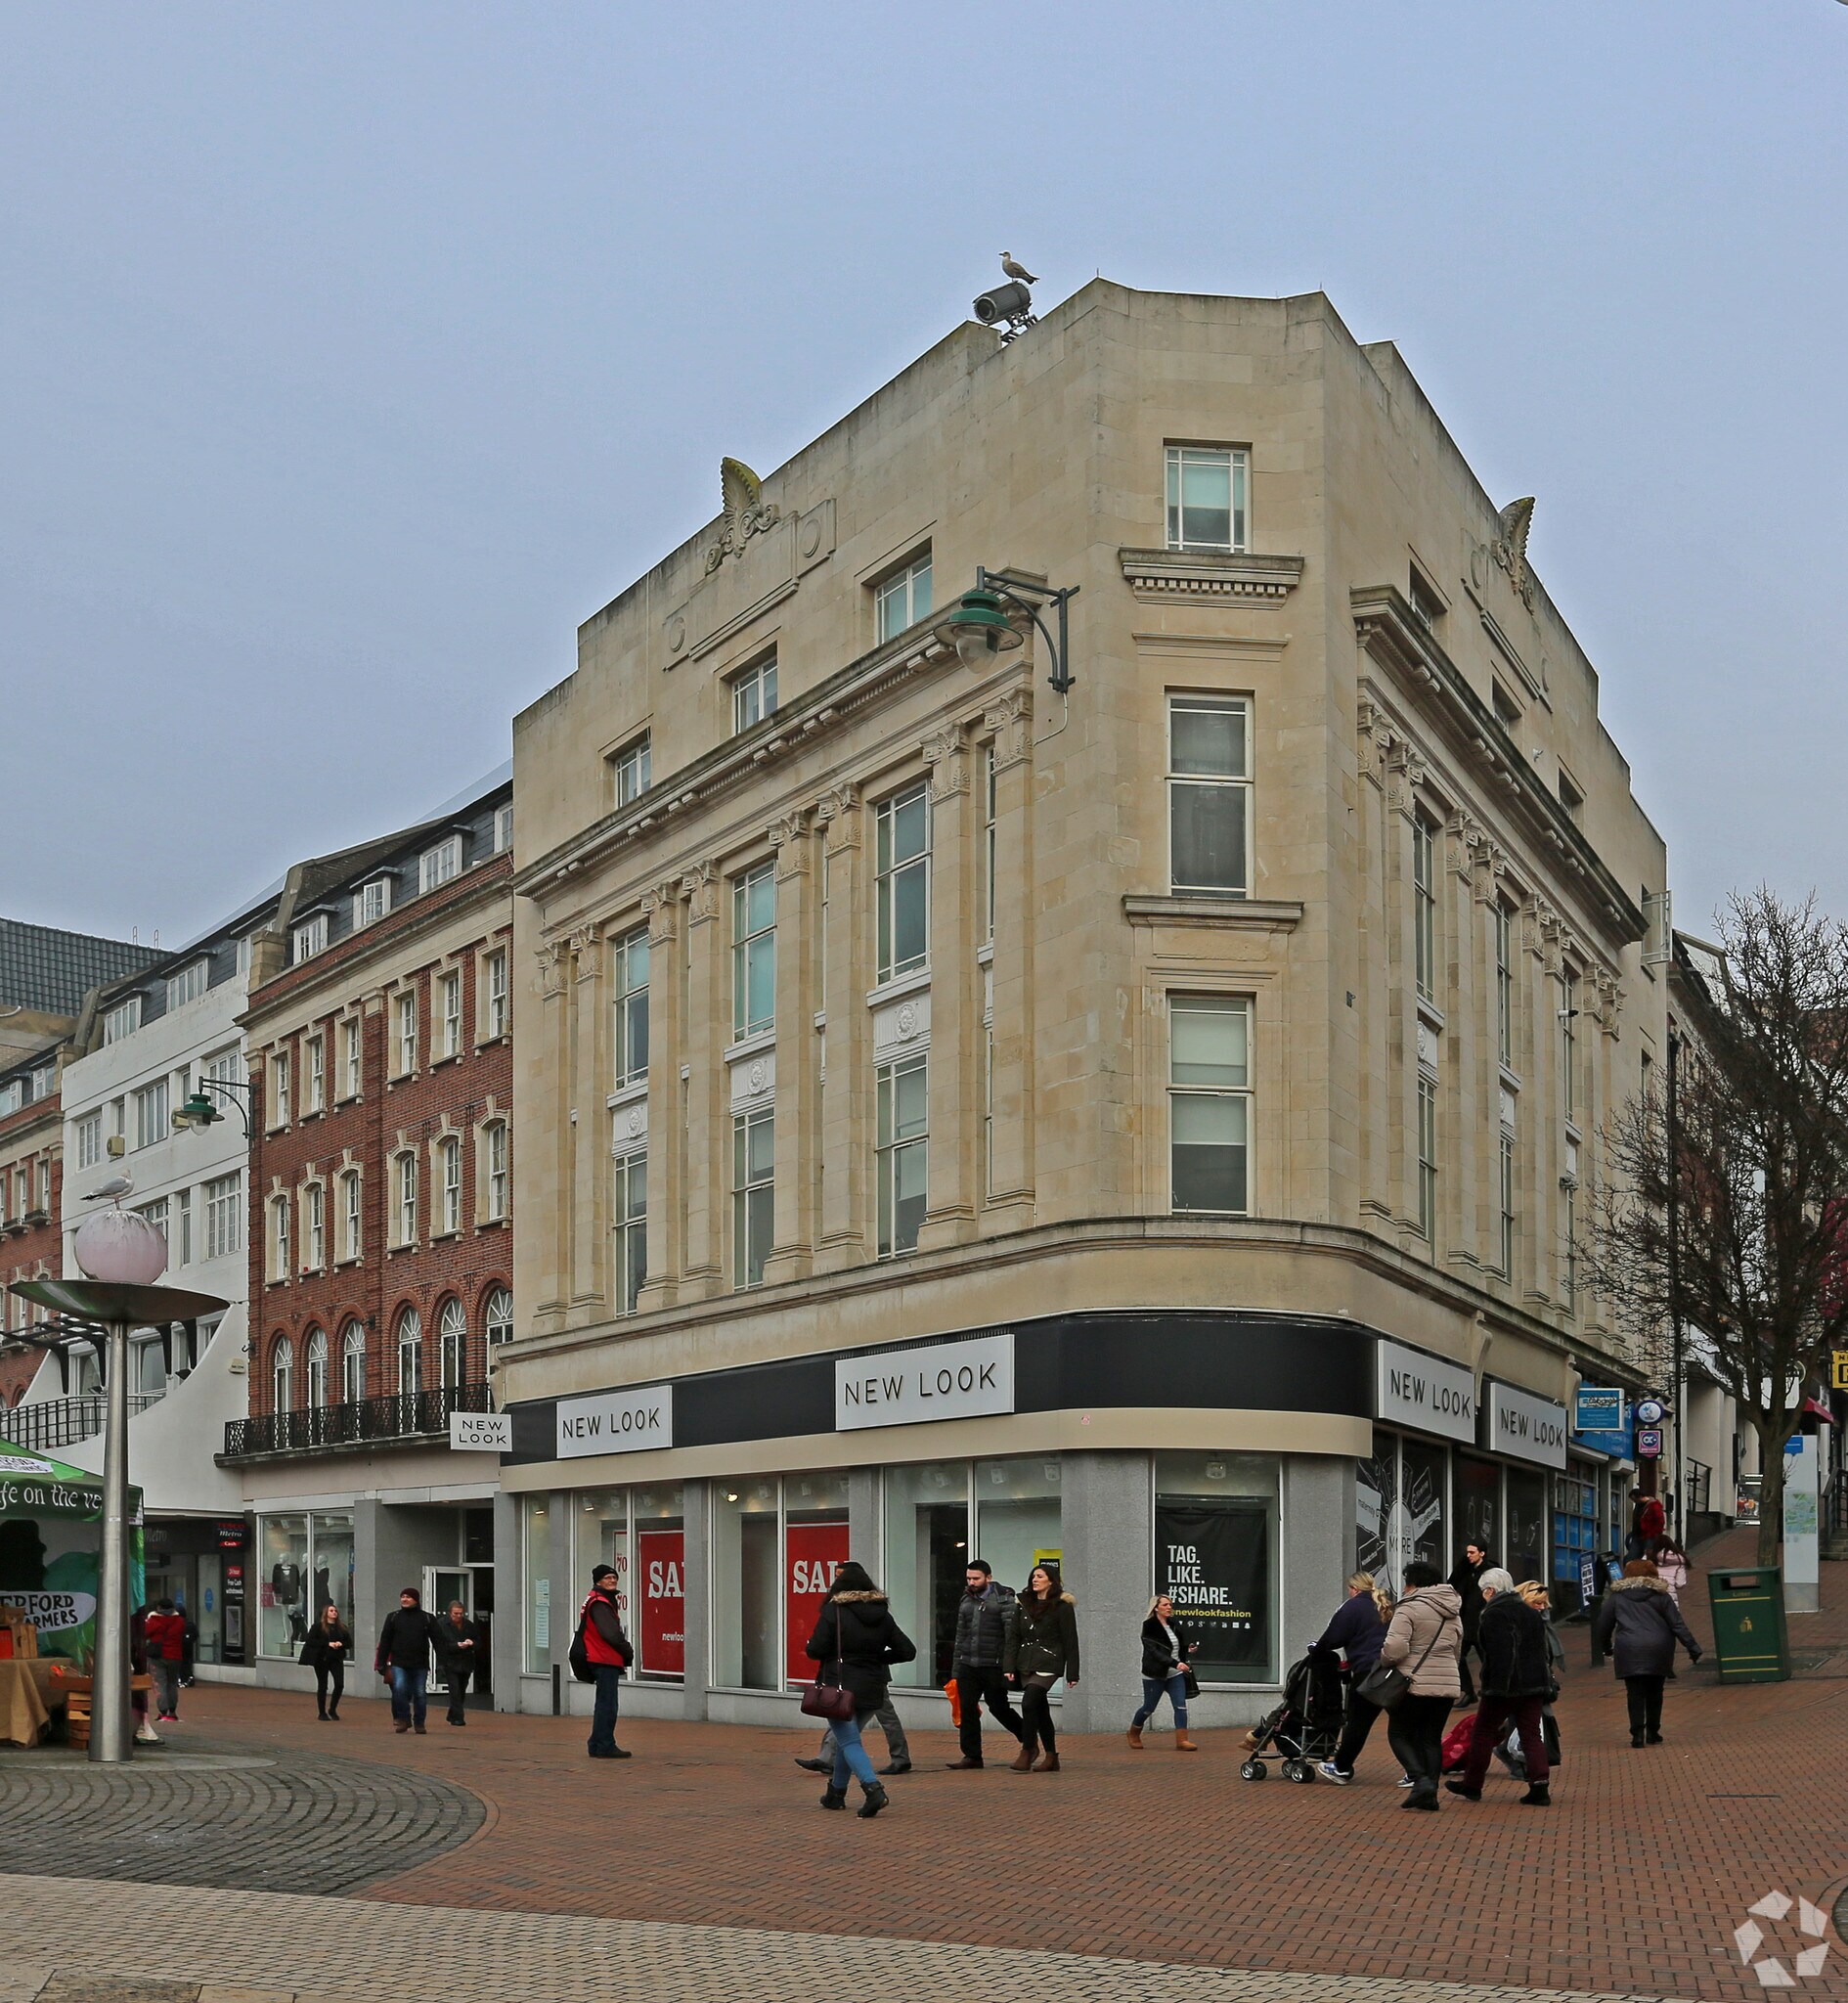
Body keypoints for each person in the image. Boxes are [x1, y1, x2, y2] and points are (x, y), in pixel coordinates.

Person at [804, 1559, 916, 1817]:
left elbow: (816, 1649)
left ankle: (873, 1789)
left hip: (840, 1688)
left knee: (850, 1741)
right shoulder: (882, 1614)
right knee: (847, 1741)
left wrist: (816, 1646)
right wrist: (877, 1658)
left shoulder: (835, 1611)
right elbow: (907, 1651)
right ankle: (836, 1793)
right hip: (871, 1687)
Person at [1445, 1567, 1553, 1806]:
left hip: (1505, 1686)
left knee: (1482, 1733)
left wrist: (1496, 1686)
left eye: (1484, 1591)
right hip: (1534, 1684)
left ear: (1490, 1591)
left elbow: (1501, 1653)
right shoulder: (1530, 1612)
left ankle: (1473, 1784)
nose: (1482, 1595)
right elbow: (1542, 1652)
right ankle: (1540, 1784)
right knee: (1531, 1734)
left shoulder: (1494, 1614)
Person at [1377, 1560, 1462, 1810]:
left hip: (1414, 1682)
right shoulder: (1453, 1609)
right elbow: (1457, 1649)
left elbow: (1395, 1648)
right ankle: (1429, 1794)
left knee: (1399, 1733)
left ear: (1412, 1583)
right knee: (1431, 1738)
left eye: (1405, 1583)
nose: (1403, 1589)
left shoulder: (1408, 1608)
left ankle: (1420, 1779)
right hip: (1446, 1683)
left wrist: (1384, 1660)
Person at [1594, 1558, 1701, 1747]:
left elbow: (1603, 1626)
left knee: (1634, 1693)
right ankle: (1653, 1731)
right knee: (1655, 1691)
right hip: (1659, 1648)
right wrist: (1692, 1647)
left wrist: (1606, 1647)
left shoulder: (1617, 1598)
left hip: (1629, 1648)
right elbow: (1677, 1624)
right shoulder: (1662, 1596)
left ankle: (1637, 1734)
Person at [1315, 1571, 1394, 1783]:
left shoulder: (1352, 1606)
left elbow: (1333, 1637)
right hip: (1391, 1670)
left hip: (1367, 1671)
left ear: (1354, 1589)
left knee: (1358, 1722)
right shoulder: (1384, 1604)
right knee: (1400, 1725)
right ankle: (1417, 1772)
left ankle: (1341, 1767)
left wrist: (1318, 1649)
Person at [944, 1558, 1023, 1769]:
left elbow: (1011, 1636)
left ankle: (1027, 1738)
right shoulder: (966, 1600)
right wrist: (956, 1670)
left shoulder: (1004, 1600)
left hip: (994, 1665)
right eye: (969, 1578)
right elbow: (961, 1636)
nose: (971, 1582)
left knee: (998, 1707)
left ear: (989, 1577)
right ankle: (972, 1756)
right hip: (969, 1664)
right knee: (967, 1708)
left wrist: (1009, 1666)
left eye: (976, 1578)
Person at [1011, 1563, 1079, 1772]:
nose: (1035, 1579)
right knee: (1040, 1710)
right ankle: (1051, 1757)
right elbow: (1013, 1637)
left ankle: (1028, 1750)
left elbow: (1070, 1640)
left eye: (1040, 1576)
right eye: (1033, 1576)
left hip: (1050, 1661)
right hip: (1026, 1662)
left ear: (1051, 1580)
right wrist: (1009, 1665)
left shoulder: (1062, 1606)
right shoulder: (1023, 1604)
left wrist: (1073, 1672)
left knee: (1029, 1701)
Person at [1127, 1592, 1199, 1750]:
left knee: (1180, 1705)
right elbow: (1154, 1652)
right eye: (1165, 1605)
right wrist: (1175, 1663)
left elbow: (1176, 1646)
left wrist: (1188, 1648)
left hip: (1175, 1674)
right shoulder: (1149, 1627)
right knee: (1148, 1707)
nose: (1169, 1608)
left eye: (1170, 1605)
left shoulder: (1173, 1624)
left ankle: (1182, 1741)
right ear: (1156, 1608)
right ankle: (1133, 1733)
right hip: (1154, 1673)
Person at [579, 1563, 634, 1759]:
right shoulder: (600, 1602)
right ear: (598, 1581)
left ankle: (596, 1743)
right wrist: (627, 1650)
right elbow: (610, 1633)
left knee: (603, 1703)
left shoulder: (595, 1599)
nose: (612, 1580)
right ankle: (604, 1745)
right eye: (608, 1578)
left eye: (614, 1577)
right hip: (604, 1658)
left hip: (599, 1657)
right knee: (607, 1704)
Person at [374, 1585, 446, 1734]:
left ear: (416, 1600)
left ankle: (419, 1722)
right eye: (403, 1597)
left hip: (420, 1664)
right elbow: (385, 1641)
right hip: (399, 1662)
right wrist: (381, 1662)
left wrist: (443, 1662)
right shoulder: (393, 1617)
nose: (404, 1599)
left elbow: (438, 1641)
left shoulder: (427, 1618)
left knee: (420, 1693)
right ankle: (403, 1719)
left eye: (408, 1597)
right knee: (399, 1689)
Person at [1446, 1541, 1491, 1703]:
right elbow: (1452, 1584)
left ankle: (1490, 1691)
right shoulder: (1466, 1570)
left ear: (1482, 1553)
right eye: (1467, 1552)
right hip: (1465, 1622)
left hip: (1481, 1624)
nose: (1468, 1555)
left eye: (1472, 1552)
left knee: (1488, 1660)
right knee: (1457, 1657)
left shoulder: (1490, 1571)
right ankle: (1468, 1691)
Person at [299, 1602, 352, 1720]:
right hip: (322, 1659)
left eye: (335, 1611)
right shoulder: (318, 1627)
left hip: (336, 1659)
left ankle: (332, 1709)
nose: (334, 1613)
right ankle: (322, 1712)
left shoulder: (341, 1628)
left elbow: (349, 1643)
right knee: (323, 1685)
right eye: (331, 1611)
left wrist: (341, 1643)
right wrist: (327, 1644)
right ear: (326, 1613)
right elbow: (310, 1641)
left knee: (339, 1684)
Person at [439, 1600, 486, 1725]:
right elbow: (440, 1645)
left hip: (466, 1662)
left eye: (461, 1613)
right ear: (450, 1613)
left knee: (461, 1690)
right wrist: (456, 1646)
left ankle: (452, 1713)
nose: (458, 1616)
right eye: (455, 1614)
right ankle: (459, 1718)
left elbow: (479, 1642)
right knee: (454, 1689)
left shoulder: (469, 1625)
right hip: (450, 1662)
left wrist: (472, 1643)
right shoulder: (442, 1625)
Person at [144, 1597, 187, 1723]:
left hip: (158, 1656)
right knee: (172, 1684)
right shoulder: (180, 1621)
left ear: (159, 1608)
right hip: (175, 1656)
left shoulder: (154, 1620)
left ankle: (163, 1712)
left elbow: (145, 1633)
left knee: (159, 1683)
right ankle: (172, 1712)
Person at [1649, 1535, 1691, 1604]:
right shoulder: (1679, 1560)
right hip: (1670, 1597)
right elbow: (1680, 1584)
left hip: (1653, 1595)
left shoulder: (1650, 1557)